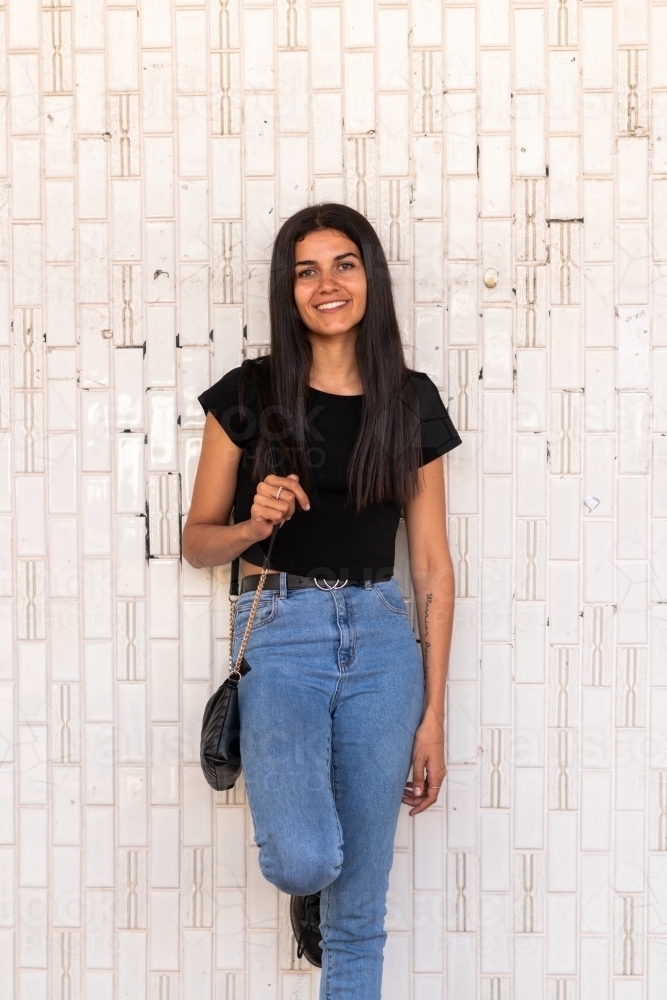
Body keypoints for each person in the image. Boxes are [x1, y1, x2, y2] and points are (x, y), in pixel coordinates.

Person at [183, 203, 461, 999]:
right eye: (306, 270)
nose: (327, 283)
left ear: (369, 276)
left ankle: (334, 919)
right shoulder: (247, 392)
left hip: (379, 640)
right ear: (288, 288)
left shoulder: (409, 399)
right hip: (281, 631)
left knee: (359, 916)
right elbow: (196, 541)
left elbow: (434, 566)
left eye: (344, 264)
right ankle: (310, 891)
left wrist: (433, 714)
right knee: (307, 859)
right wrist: (250, 523)